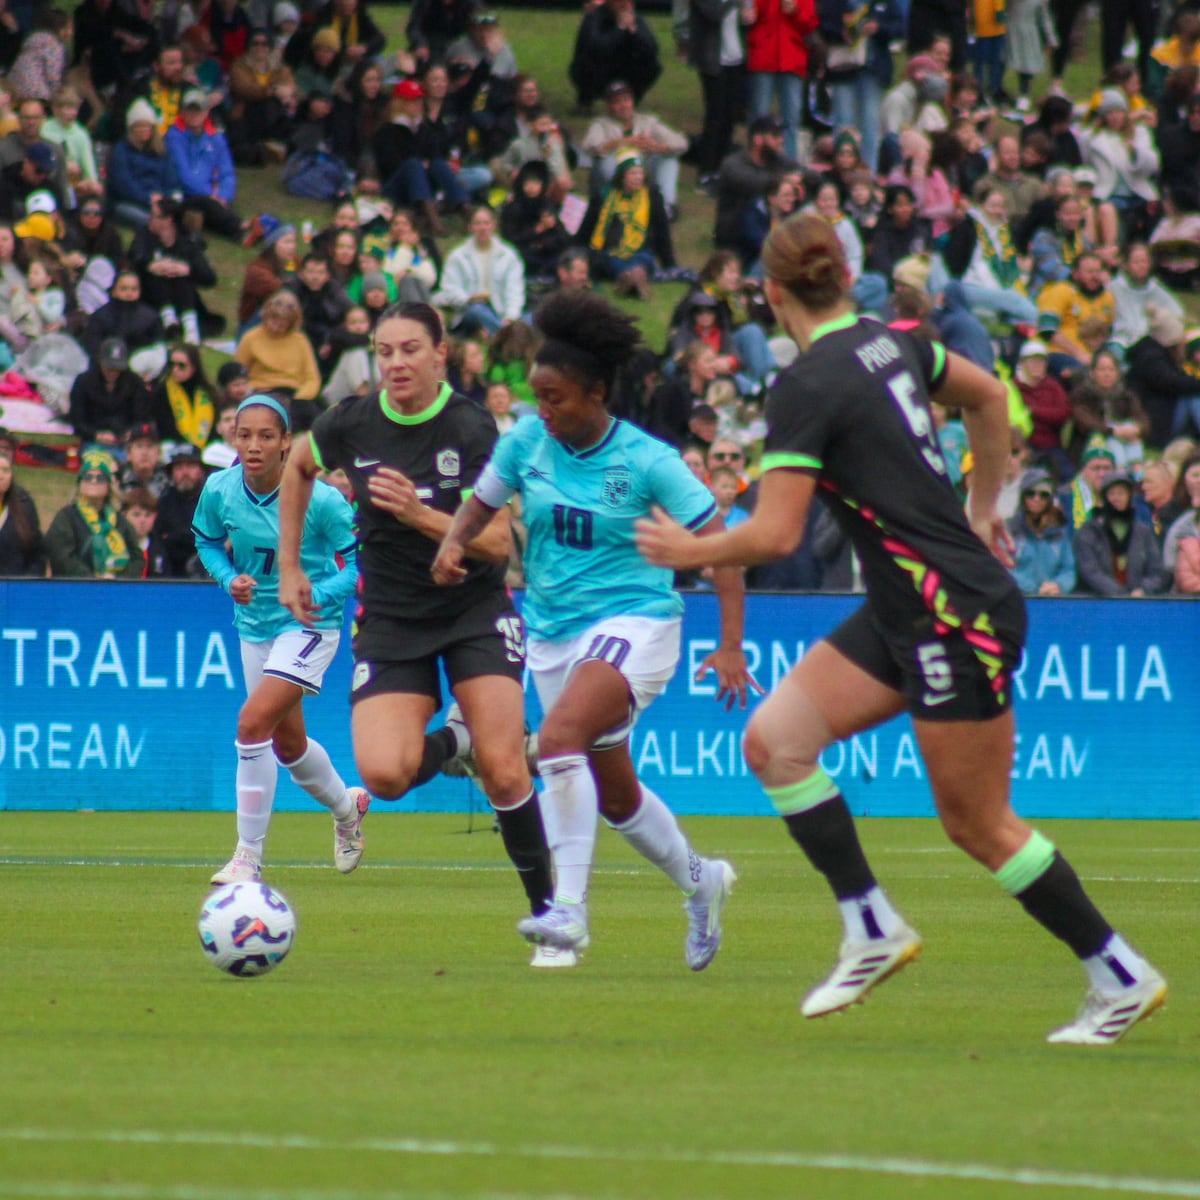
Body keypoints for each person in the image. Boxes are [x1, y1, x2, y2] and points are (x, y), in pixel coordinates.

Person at [635, 212, 1167, 1044]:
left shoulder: (806, 385)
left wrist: (687, 547)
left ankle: (1120, 974)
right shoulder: (892, 341)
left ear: (773, 295)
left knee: (979, 824)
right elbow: (991, 394)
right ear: (843, 277)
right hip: (909, 606)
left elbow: (776, 535)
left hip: (954, 614)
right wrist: (984, 506)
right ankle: (871, 925)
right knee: (774, 742)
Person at [432, 290, 754, 966]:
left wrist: (729, 644)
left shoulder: (647, 459)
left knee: (556, 740)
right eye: (538, 398)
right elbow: (480, 501)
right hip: (552, 633)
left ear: (598, 392)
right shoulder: (525, 439)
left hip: (638, 622)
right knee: (615, 794)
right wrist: (452, 544)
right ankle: (702, 883)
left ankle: (567, 912)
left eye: (558, 399)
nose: (544, 412)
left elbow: (722, 546)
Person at [277, 301, 556, 968]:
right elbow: (295, 467)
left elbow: (493, 540)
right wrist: (289, 565)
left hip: (473, 609)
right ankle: (452, 739)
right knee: (387, 773)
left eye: (410, 350)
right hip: (395, 617)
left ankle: (551, 919)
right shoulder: (351, 422)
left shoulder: (469, 424)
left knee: (504, 766)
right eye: (385, 351)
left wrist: (422, 514)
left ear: (439, 356)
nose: (396, 363)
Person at [193, 393, 370, 884]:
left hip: (310, 625)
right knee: (288, 746)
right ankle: (347, 807)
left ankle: (247, 857)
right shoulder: (221, 489)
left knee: (252, 726)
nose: (253, 445)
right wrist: (229, 578)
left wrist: (314, 592)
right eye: (244, 435)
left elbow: (358, 564)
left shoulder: (324, 499)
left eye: (265, 436)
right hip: (255, 628)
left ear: (286, 443)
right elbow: (206, 540)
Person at [46, 449, 143, 579]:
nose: (94, 481)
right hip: (76, 590)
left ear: (109, 485)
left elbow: (137, 559)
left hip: (116, 590)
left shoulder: (120, 522)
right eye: (88, 477)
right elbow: (61, 557)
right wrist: (93, 580)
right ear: (80, 484)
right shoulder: (66, 518)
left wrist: (119, 580)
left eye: (100, 478)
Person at [1073, 470, 1171, 595]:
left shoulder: (1143, 532)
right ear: (1103, 497)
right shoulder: (1089, 531)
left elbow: (1157, 571)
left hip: (1137, 602)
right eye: (1111, 493)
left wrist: (1143, 589)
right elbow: (1089, 570)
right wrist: (1119, 593)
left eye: (1121, 493)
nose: (1116, 498)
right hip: (1098, 601)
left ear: (1129, 496)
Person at [234, 289, 322, 429]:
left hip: (294, 394)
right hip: (262, 391)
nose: (276, 327)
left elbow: (312, 378)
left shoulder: (300, 340)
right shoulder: (251, 338)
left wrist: (300, 398)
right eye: (273, 321)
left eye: (282, 324)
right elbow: (238, 372)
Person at [569, 0, 662, 109]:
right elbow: (596, 48)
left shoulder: (637, 19)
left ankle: (630, 100)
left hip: (624, 69)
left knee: (652, 65)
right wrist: (620, 29)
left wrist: (635, 32)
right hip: (597, 70)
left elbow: (652, 49)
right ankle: (585, 100)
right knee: (586, 64)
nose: (625, 4)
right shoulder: (593, 18)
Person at [1006, 468, 1076, 594]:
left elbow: (1069, 569)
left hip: (1052, 599)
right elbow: (1002, 568)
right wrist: (1032, 588)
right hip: (1017, 598)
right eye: (1031, 494)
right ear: (1023, 496)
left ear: (1050, 499)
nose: (1036, 499)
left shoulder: (1060, 532)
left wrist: (1059, 585)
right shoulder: (1010, 529)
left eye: (1043, 494)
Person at [0, 447, 44, 576]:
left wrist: (28, 584)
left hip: (16, 589)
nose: (1, 476)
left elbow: (37, 555)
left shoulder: (24, 506)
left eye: (6, 471)